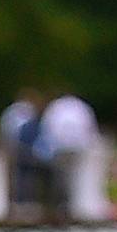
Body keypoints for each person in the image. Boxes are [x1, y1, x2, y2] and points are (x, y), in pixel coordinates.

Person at [39, 89, 98, 222]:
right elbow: (90, 129)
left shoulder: (55, 107)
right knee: (76, 178)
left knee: (60, 177)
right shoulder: (81, 107)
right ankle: (74, 205)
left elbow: (47, 129)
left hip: (60, 147)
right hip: (78, 147)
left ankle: (61, 206)